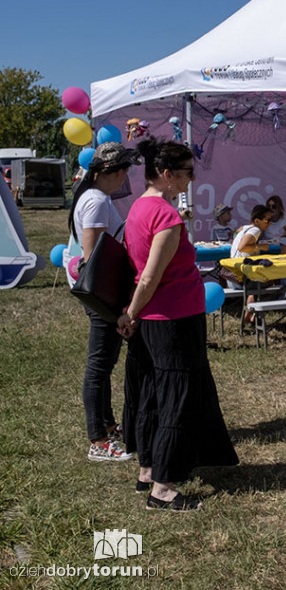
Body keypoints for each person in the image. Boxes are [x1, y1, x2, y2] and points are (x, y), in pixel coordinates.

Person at [118, 138, 238, 511]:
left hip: (158, 318)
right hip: (172, 318)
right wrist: (131, 312)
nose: (191, 179)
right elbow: (150, 275)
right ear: (167, 175)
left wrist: (134, 312)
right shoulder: (166, 217)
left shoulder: (139, 208)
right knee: (176, 398)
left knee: (153, 394)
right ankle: (163, 487)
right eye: (187, 172)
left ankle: (148, 469)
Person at [66, 142, 140, 463]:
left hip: (103, 293)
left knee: (104, 364)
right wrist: (112, 304)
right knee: (98, 366)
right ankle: (97, 441)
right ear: (107, 172)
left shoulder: (93, 197)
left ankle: (108, 427)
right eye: (121, 170)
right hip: (102, 294)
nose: (125, 176)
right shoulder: (96, 201)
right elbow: (92, 257)